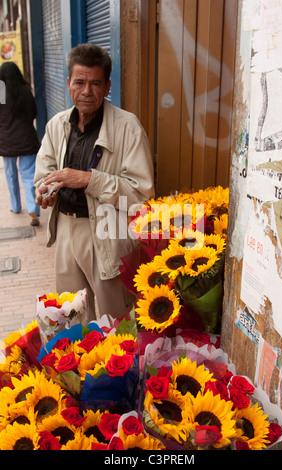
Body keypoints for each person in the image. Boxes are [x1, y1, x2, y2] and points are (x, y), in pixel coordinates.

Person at [34, 44, 155, 323]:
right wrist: (44, 191)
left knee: (117, 321)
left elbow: (141, 195)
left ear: (107, 86)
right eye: (79, 82)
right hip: (65, 228)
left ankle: (121, 368)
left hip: (106, 229)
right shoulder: (56, 125)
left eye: (95, 83)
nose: (86, 91)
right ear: (68, 84)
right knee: (72, 318)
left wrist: (89, 179)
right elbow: (44, 174)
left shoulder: (128, 127)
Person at [0, 62, 40, 226]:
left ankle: (16, 206)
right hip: (27, 139)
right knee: (29, 176)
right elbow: (34, 113)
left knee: (10, 174)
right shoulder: (25, 91)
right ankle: (33, 209)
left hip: (6, 141)